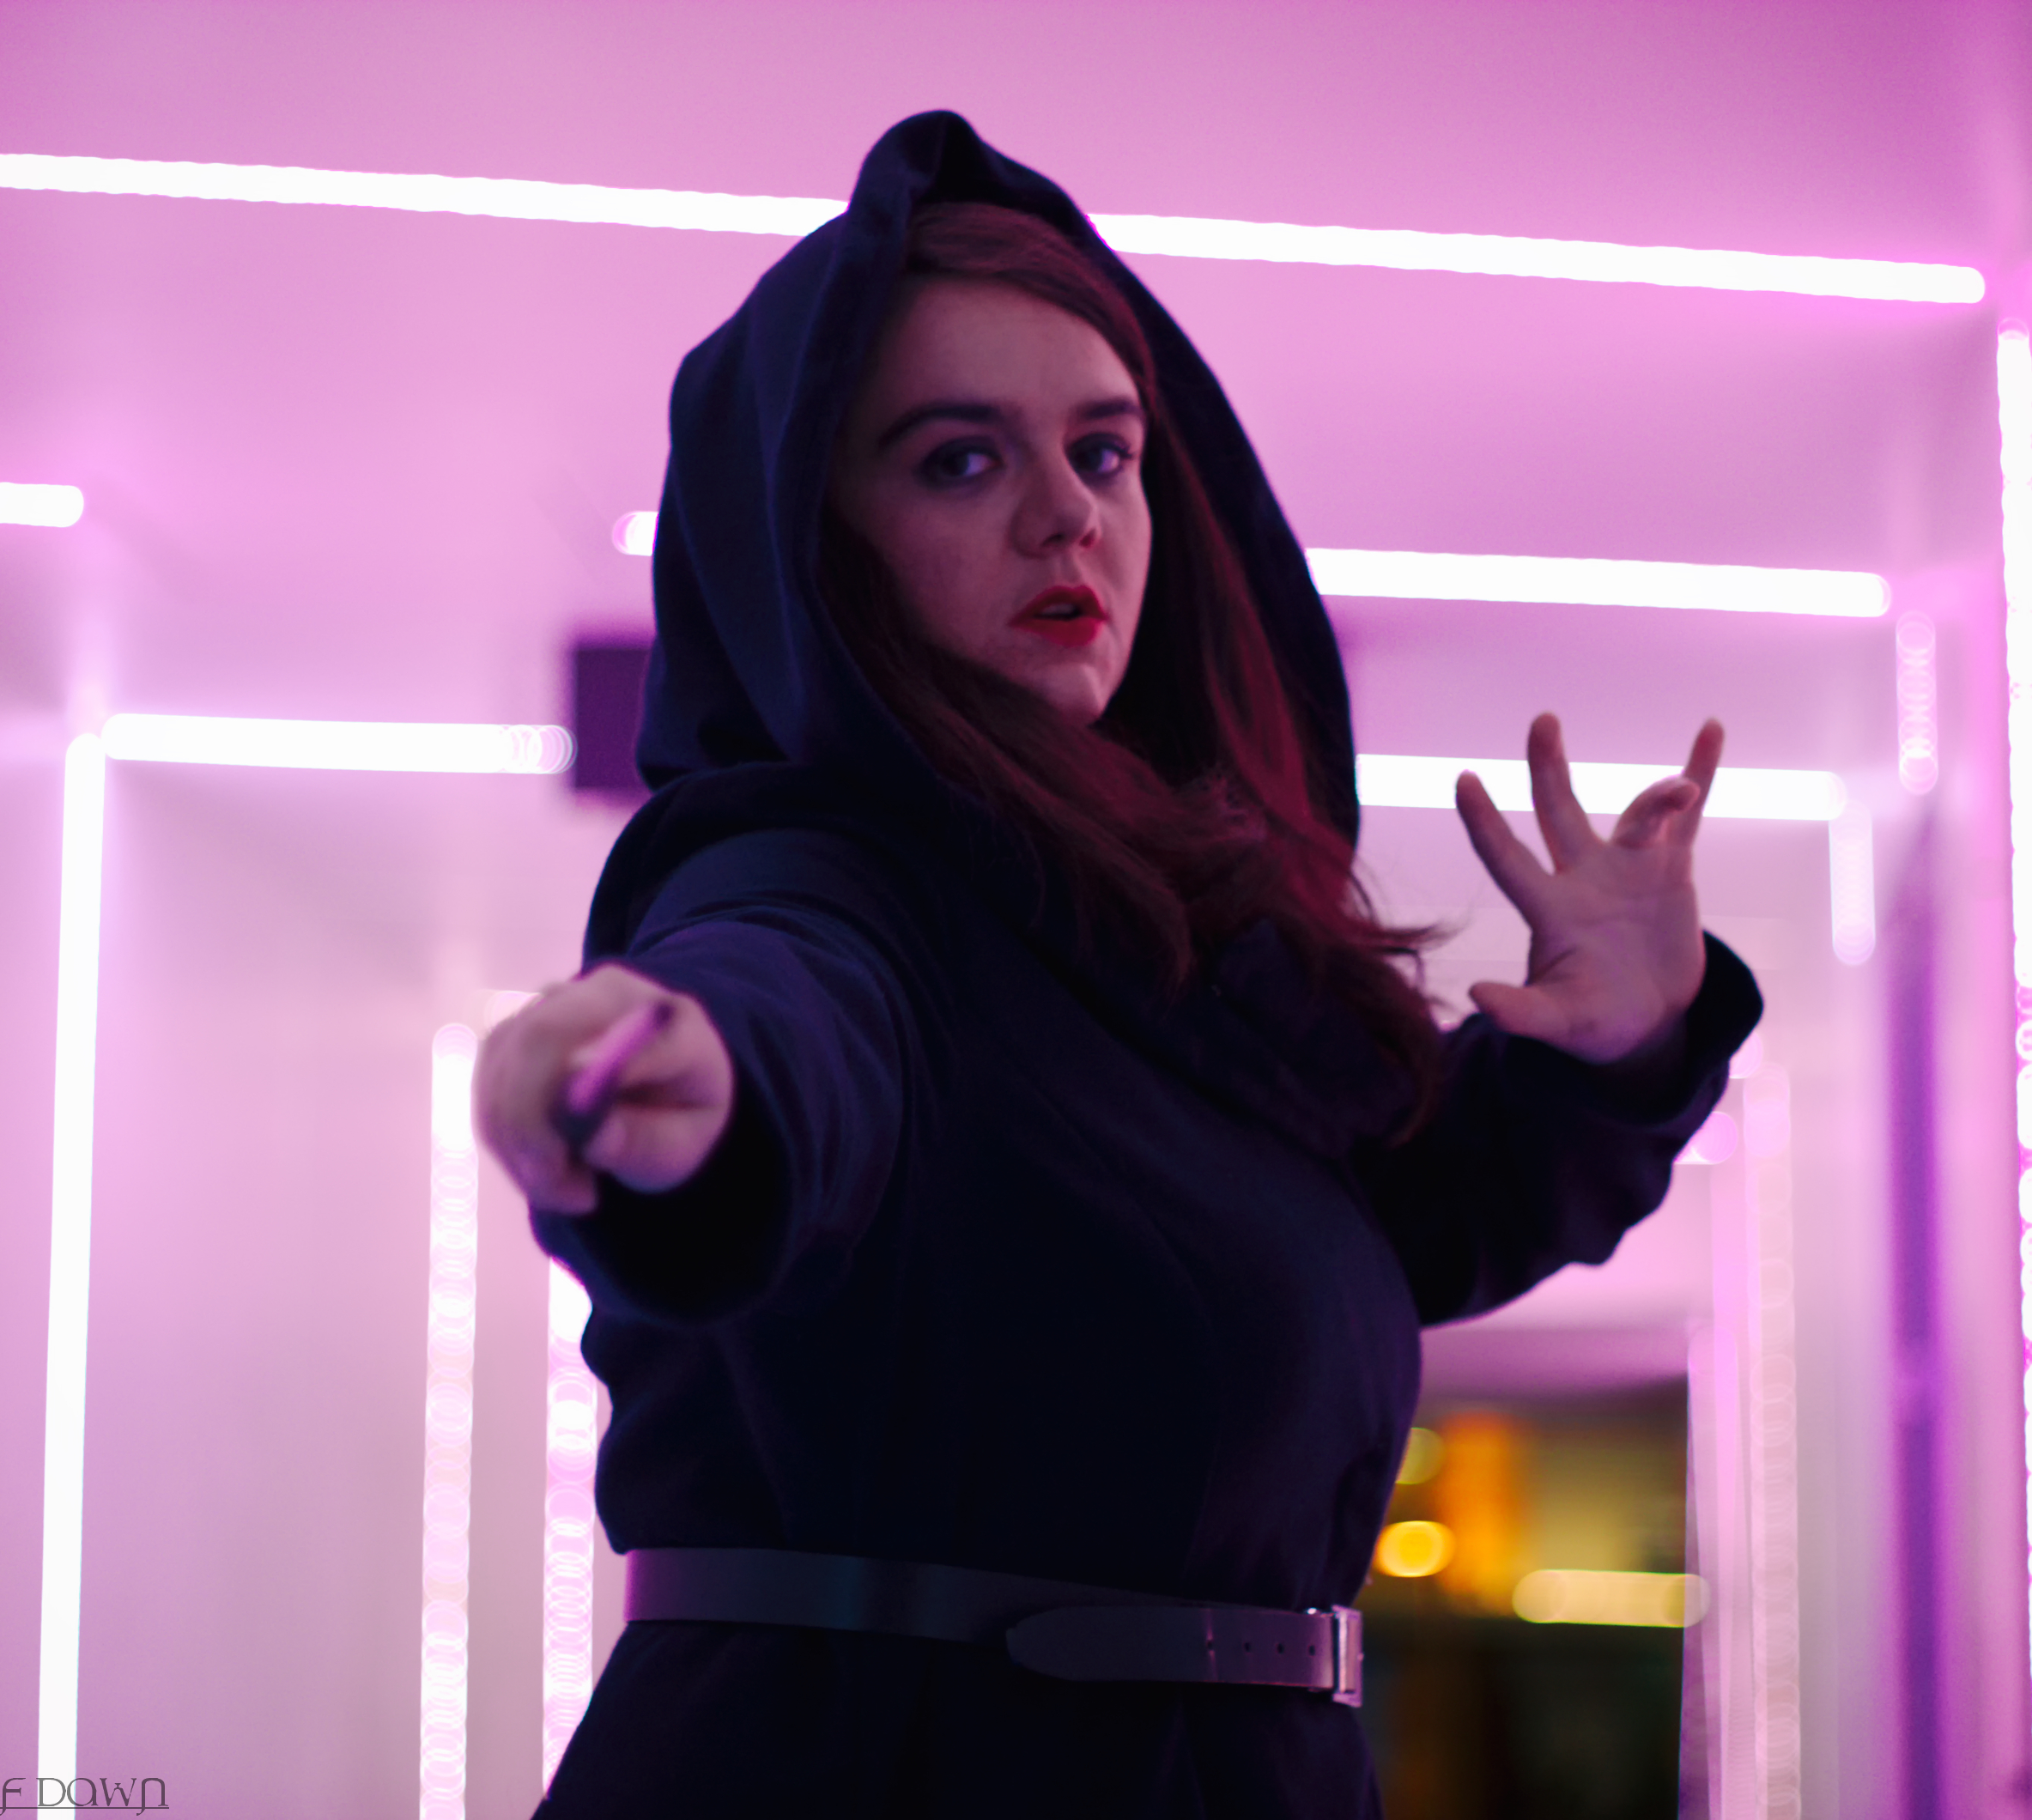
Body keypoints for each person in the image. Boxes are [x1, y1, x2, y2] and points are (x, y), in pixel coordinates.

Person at [475, 112, 1761, 1817]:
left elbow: (1392, 1221)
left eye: (1102, 452)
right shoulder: (812, 873)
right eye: (958, 461)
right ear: (815, 540)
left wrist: (1607, 1053)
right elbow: (788, 1006)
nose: (1064, 517)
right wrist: (701, 1080)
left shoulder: (1176, 932)